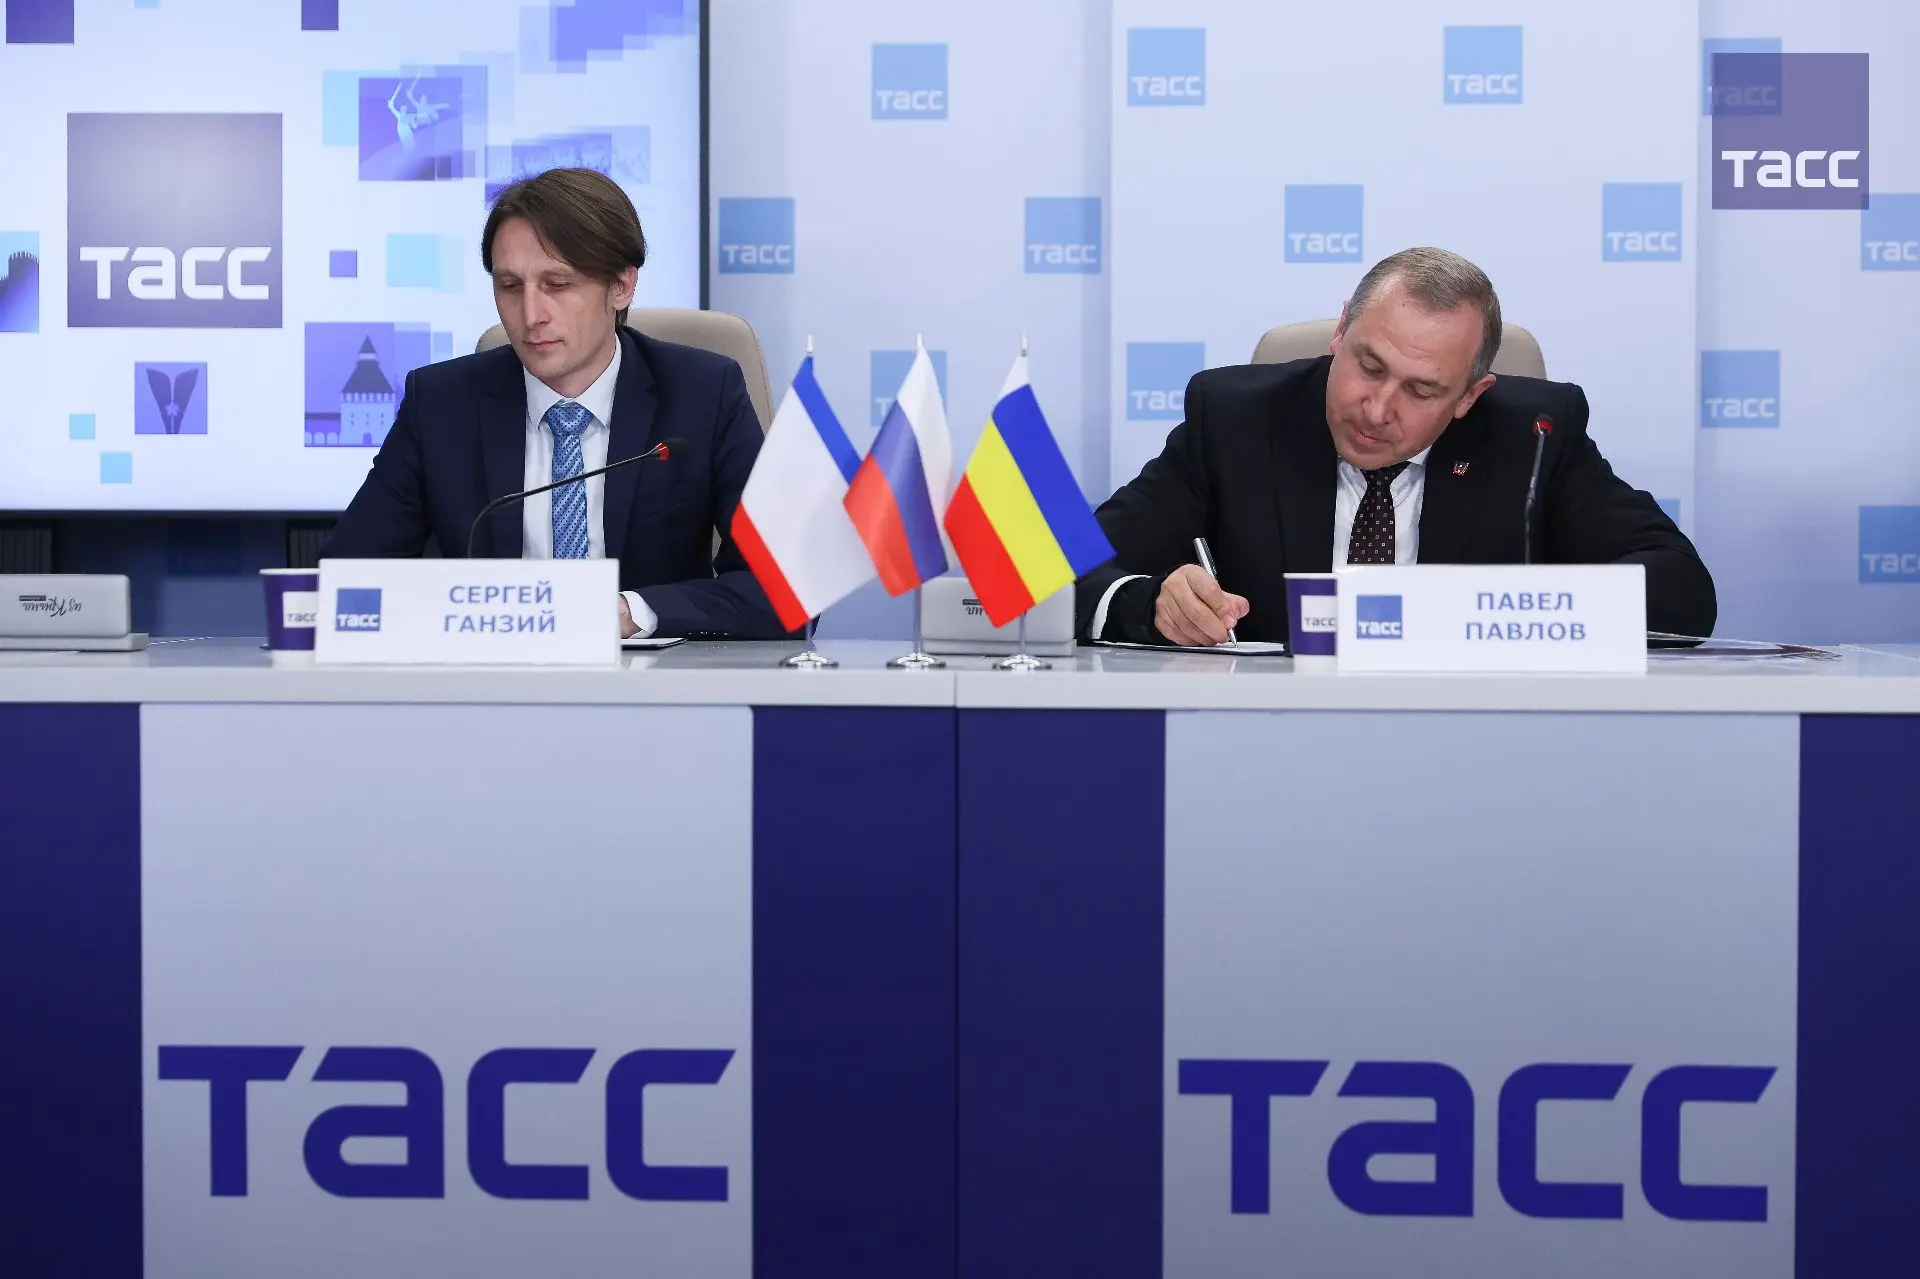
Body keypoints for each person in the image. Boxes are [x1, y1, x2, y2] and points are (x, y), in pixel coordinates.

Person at [1079, 247, 1716, 646]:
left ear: (1469, 395)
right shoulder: (1235, 419)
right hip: (1270, 738)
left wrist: (1523, 613)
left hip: (1473, 743)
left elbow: (1682, 590)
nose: (1378, 408)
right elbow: (1060, 569)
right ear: (1340, 330)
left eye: (1421, 389)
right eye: (1369, 366)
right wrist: (1152, 604)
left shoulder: (1535, 437)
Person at [324, 167, 787, 639]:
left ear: (621, 286)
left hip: (652, 679)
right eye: (510, 286)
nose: (531, 316)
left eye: (558, 284)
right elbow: (345, 583)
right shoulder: (441, 405)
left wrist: (633, 613)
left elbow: (782, 592)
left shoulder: (702, 394)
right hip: (490, 676)